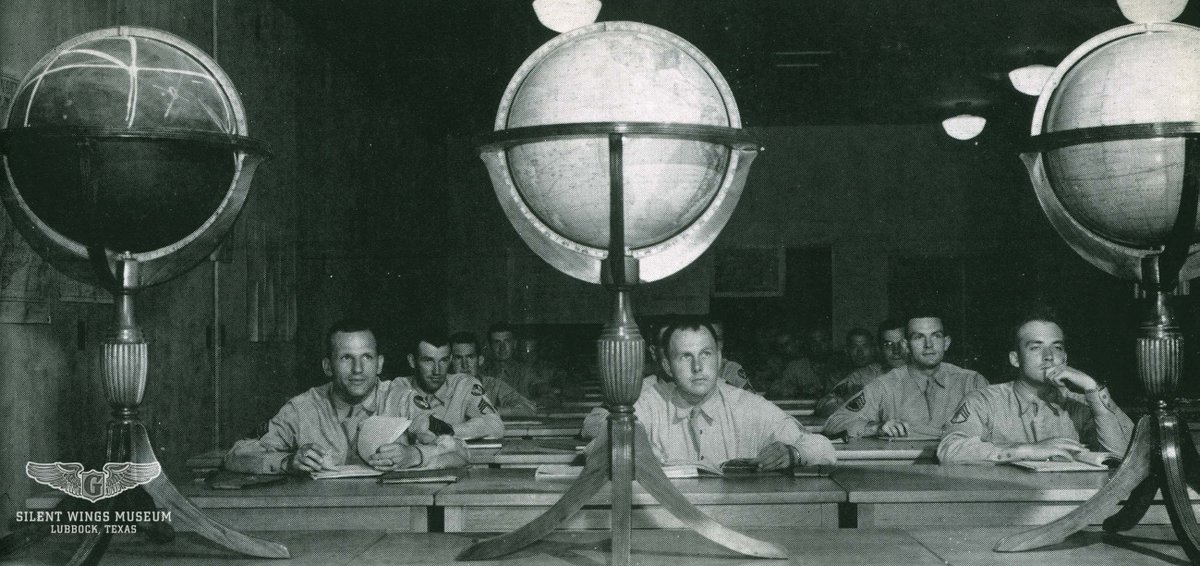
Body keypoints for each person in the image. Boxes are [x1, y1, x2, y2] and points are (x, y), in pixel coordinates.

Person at [582, 318, 836, 470]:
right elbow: (595, 449)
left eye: (706, 354)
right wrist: (631, 452)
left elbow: (823, 447)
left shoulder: (748, 406)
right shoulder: (647, 403)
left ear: (719, 357)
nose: (698, 367)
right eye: (685, 357)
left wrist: (793, 454)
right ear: (667, 366)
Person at [223, 318, 467, 474]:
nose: (358, 369)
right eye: (346, 358)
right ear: (328, 366)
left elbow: (459, 450)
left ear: (379, 364)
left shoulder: (402, 401)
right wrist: (287, 462)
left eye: (366, 357)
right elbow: (237, 454)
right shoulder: (302, 409)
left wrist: (414, 455)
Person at [937, 312, 1134, 464]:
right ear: (1015, 359)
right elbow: (950, 450)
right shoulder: (984, 401)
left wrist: (1091, 387)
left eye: (1057, 347)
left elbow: (1124, 459)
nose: (1049, 356)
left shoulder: (1082, 405)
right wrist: (1027, 450)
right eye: (1035, 347)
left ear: (1065, 358)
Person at [824, 314, 988, 439]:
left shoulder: (972, 382)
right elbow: (834, 423)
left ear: (946, 343)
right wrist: (876, 428)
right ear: (906, 346)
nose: (929, 345)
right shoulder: (885, 385)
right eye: (918, 337)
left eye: (936, 336)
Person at [401, 330, 505, 439]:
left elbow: (495, 425)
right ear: (412, 361)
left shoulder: (465, 385)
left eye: (443, 360)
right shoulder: (398, 387)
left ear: (450, 360)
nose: (437, 371)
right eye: (428, 361)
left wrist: (445, 431)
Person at [814, 320, 905, 417]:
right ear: (879, 348)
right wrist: (850, 402)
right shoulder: (865, 375)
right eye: (889, 344)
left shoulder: (917, 376)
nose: (896, 350)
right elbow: (824, 406)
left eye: (902, 343)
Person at [449, 331, 538, 417]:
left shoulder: (492, 385)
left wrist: (487, 410)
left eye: (470, 357)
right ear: (449, 361)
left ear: (480, 360)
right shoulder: (444, 386)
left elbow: (529, 409)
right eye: (458, 358)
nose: (465, 365)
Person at [481, 322, 555, 402]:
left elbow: (540, 386)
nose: (502, 347)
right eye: (497, 342)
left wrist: (543, 392)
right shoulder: (482, 372)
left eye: (507, 341)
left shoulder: (525, 372)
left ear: (514, 344)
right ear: (490, 345)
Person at [712, 320, 755, 392]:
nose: (713, 344)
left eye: (718, 339)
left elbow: (751, 398)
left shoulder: (731, 370)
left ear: (722, 342)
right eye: (708, 338)